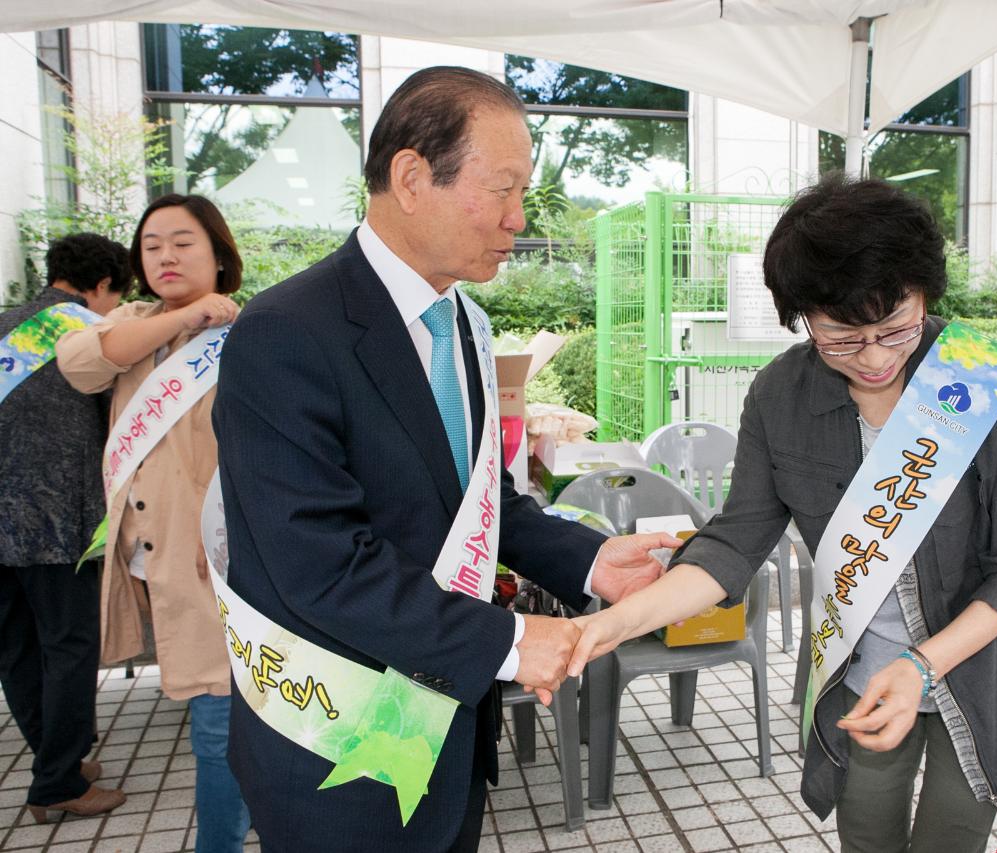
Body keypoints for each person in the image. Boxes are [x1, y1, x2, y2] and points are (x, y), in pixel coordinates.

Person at [569, 174, 997, 852]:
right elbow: (736, 542)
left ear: (926, 294)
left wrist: (921, 666)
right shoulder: (781, 395)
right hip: (860, 671)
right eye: (843, 339)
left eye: (897, 329)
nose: (877, 357)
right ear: (801, 314)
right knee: (867, 833)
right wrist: (620, 621)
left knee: (950, 837)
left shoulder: (981, 380)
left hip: (978, 668)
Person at [210, 66, 677, 853]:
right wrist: (507, 640)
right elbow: (318, 563)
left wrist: (593, 561)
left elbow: (482, 500)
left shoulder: (460, 322)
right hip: (340, 743)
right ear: (411, 176)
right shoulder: (286, 332)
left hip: (447, 732)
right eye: (501, 189)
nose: (518, 219)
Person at [56, 196, 248, 851]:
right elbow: (80, 363)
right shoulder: (133, 322)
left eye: (183, 242)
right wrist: (188, 314)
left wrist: (231, 536)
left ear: (219, 253)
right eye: (152, 245)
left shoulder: (250, 333)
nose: (164, 255)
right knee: (216, 708)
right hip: (146, 556)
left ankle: (221, 841)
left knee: (216, 715)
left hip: (215, 561)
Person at [0, 233, 131, 822]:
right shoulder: (86, 333)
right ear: (102, 286)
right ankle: (58, 784)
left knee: (18, 650)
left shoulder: (6, 325)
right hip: (56, 522)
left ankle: (58, 759)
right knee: (70, 647)